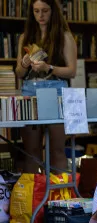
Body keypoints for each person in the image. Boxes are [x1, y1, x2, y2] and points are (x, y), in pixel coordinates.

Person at [15, 0, 77, 173]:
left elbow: (72, 71)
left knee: (57, 149)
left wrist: (48, 67)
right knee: (32, 151)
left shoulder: (64, 36)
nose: (40, 16)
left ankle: (59, 197)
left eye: (45, 11)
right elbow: (19, 73)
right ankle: (35, 197)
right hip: (30, 89)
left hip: (55, 89)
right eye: (36, 11)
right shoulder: (24, 37)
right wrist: (24, 64)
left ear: (53, 12)